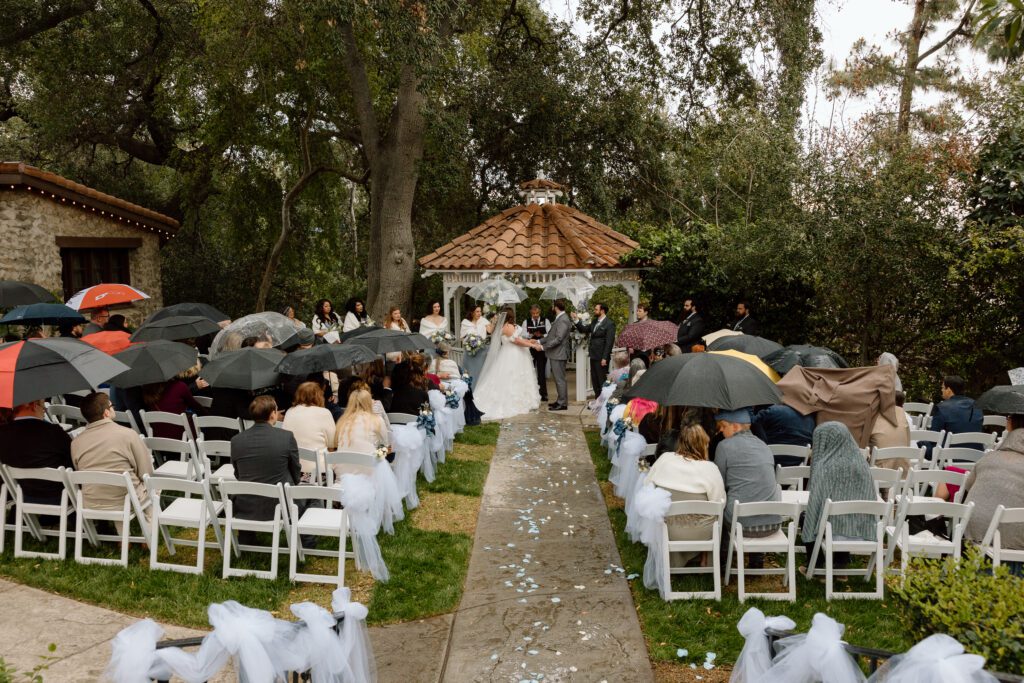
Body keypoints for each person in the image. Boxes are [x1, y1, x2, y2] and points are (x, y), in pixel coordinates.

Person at [646, 424, 726, 566]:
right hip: (701, 533)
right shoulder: (710, 469)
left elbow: (647, 488)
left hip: (668, 530)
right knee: (715, 516)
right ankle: (704, 557)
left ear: (680, 442)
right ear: (704, 445)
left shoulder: (664, 460)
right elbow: (720, 502)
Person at [71, 392, 154, 528]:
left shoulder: (76, 442)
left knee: (119, 485)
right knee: (151, 486)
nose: (113, 408)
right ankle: (149, 529)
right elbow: (146, 472)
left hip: (92, 501)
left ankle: (123, 537)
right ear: (106, 413)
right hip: (127, 499)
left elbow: (79, 470)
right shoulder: (128, 434)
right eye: (112, 406)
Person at [801, 422, 878, 569]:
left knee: (806, 516)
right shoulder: (862, 464)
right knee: (845, 516)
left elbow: (815, 506)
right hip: (863, 529)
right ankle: (841, 564)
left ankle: (816, 564)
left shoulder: (825, 468)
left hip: (833, 532)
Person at [714, 408, 781, 570]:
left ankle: (722, 561)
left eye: (723, 426)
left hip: (741, 524)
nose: (720, 430)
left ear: (736, 426)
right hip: (772, 522)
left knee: (719, 503)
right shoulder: (764, 446)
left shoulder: (724, 446)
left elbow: (719, 484)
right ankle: (756, 560)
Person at [962, 414, 1024, 562]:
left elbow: (968, 486)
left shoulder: (988, 459)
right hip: (1017, 541)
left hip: (974, 533)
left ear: (1009, 424)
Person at [229, 396, 300, 524]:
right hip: (280, 504)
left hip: (246, 505)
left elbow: (238, 473)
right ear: (273, 414)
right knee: (313, 498)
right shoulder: (286, 436)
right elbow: (296, 471)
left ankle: (246, 537)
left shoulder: (236, 440)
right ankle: (305, 541)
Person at [473, 306, 543, 419]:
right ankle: (514, 402)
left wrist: (529, 340)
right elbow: (516, 341)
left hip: (514, 353)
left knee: (517, 378)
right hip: (512, 354)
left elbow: (518, 338)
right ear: (511, 315)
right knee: (511, 378)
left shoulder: (506, 326)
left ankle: (521, 400)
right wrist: (533, 345)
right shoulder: (507, 326)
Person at [0, 400, 73, 506]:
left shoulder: (3, 433)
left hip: (20, 495)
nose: (44, 411)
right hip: (57, 496)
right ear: (34, 406)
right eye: (43, 406)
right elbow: (72, 455)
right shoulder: (53, 432)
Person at [282, 381, 337, 477]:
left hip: (294, 472)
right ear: (318, 396)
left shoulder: (290, 412)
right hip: (320, 472)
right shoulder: (324, 412)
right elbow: (332, 444)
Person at [142, 375, 207, 440]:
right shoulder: (179, 386)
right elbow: (197, 407)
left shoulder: (146, 393)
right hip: (184, 437)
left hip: (159, 440)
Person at [572, 302, 616, 395]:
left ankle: (603, 400)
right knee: (594, 379)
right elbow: (584, 329)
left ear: (602, 311)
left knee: (601, 380)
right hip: (593, 355)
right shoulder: (595, 321)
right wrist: (576, 320)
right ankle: (597, 399)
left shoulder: (610, 324)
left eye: (596, 309)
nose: (594, 311)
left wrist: (605, 357)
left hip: (601, 357)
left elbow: (609, 343)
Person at [930, 376, 984, 447]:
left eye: (943, 388)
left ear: (949, 390)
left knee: (918, 443)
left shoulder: (941, 407)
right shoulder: (977, 405)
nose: (941, 390)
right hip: (975, 453)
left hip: (948, 454)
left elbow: (933, 437)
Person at [541, 300, 573, 410]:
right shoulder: (560, 318)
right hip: (556, 353)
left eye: (552, 306)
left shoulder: (563, 319)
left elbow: (559, 338)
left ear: (556, 307)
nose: (552, 308)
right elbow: (551, 336)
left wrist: (544, 347)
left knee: (560, 379)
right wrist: (539, 341)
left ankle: (562, 404)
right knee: (558, 379)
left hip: (559, 353)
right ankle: (560, 400)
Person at [522, 304, 550, 403]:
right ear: (531, 313)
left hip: (541, 349)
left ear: (540, 312)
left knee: (541, 372)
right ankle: (530, 394)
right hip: (530, 348)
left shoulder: (545, 320)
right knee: (530, 370)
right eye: (533, 313)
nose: (535, 315)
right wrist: (531, 334)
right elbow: (523, 334)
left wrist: (542, 334)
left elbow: (550, 333)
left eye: (537, 313)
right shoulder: (526, 321)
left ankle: (543, 394)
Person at [460, 305, 493, 382]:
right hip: (469, 351)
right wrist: (469, 345)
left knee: (479, 371)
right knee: (469, 371)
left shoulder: (483, 320)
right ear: (472, 313)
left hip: (481, 351)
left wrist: (493, 322)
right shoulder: (465, 322)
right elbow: (462, 337)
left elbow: (490, 331)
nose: (479, 313)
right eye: (477, 311)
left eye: (480, 311)